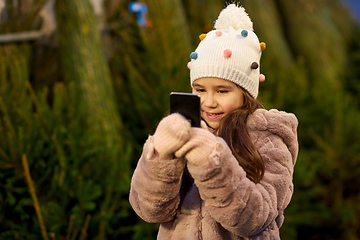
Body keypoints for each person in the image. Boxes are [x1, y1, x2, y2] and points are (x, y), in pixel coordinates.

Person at [129, 3, 298, 240]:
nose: (208, 102)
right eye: (199, 89)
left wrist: (211, 162)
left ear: (245, 92)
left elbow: (254, 218)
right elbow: (150, 210)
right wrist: (161, 157)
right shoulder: (183, 129)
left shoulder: (268, 139)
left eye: (222, 91)